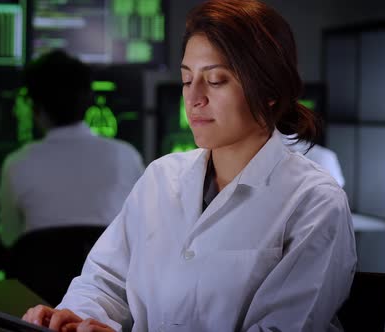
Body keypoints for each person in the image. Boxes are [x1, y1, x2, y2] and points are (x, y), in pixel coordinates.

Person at [22, 1, 357, 331]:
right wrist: (75, 316)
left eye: (215, 81)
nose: (193, 98)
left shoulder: (314, 202)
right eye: (186, 80)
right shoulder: (161, 177)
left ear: (269, 90)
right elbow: (105, 281)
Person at [0, 50, 144, 248]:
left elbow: (10, 239)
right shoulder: (126, 156)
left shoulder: (16, 164)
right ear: (88, 101)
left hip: (41, 278)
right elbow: (144, 233)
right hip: (112, 279)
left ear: (35, 108)